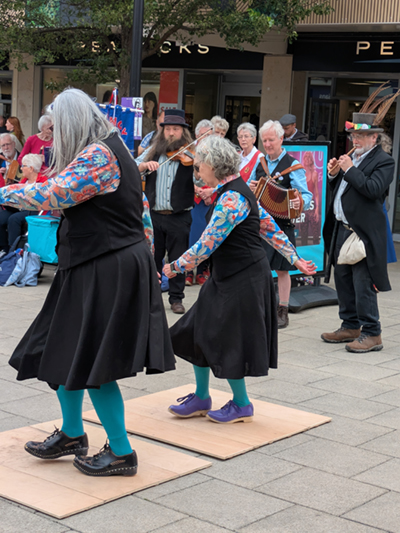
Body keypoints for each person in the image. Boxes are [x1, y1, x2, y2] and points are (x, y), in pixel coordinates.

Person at [1, 88, 175, 477]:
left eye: (56, 127)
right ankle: (73, 433)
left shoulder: (100, 153)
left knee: (96, 363)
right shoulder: (109, 149)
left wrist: (5, 191)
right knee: (60, 350)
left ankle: (122, 452)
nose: (52, 135)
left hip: (106, 267)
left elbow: (55, 193)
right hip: (92, 264)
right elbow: (140, 211)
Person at [163, 136, 316, 423]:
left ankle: (242, 403)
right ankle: (201, 397)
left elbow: (208, 243)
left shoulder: (233, 198)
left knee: (230, 339)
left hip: (244, 277)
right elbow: (268, 227)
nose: (196, 172)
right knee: (196, 329)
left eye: (199, 167)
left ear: (213, 165)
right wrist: (295, 258)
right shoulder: (231, 192)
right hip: (228, 274)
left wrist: (175, 267)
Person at [321, 113, 395, 353]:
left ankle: (372, 333)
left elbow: (373, 189)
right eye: (354, 135)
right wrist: (334, 173)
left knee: (363, 282)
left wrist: (350, 169)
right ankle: (350, 325)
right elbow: (342, 189)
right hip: (343, 229)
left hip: (363, 233)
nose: (356, 139)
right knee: (342, 280)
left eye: (362, 135)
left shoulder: (384, 161)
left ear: (374, 137)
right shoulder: (353, 157)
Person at [248, 120, 312, 329]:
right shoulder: (260, 164)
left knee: (283, 270)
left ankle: (282, 310)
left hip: (282, 223)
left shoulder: (292, 165)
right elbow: (249, 188)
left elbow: (306, 195)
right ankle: (260, 307)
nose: (267, 144)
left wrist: (299, 202)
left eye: (271, 140)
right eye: (264, 140)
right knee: (260, 268)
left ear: (281, 139)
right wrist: (251, 187)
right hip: (261, 225)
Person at [136, 108, 195, 314]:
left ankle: (176, 298)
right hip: (154, 215)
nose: (171, 133)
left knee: (178, 259)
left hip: (180, 215)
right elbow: (133, 166)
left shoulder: (191, 152)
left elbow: (202, 177)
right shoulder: (154, 149)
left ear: (183, 132)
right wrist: (144, 165)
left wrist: (195, 164)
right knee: (152, 257)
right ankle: (150, 296)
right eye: (168, 129)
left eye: (175, 129)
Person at [186, 120, 214, 287]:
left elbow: (220, 175)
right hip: (193, 198)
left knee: (207, 235)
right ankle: (189, 271)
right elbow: (183, 176)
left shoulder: (215, 152)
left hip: (209, 198)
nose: (207, 138)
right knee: (192, 235)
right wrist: (196, 189)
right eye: (204, 135)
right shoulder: (189, 151)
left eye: (210, 135)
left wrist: (211, 191)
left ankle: (203, 270)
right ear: (197, 135)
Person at [0, 154, 47, 250]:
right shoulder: (24, 181)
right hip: (19, 207)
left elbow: (43, 200)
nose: (21, 169)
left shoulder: (43, 181)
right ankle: (3, 248)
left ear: (31, 168)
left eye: (23, 166)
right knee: (2, 216)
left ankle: (13, 249)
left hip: (34, 209)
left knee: (14, 219)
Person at [300, 151, 321, 246]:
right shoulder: (300, 173)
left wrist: (317, 209)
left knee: (315, 232)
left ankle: (316, 254)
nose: (307, 159)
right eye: (306, 157)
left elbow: (316, 193)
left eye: (309, 157)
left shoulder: (314, 174)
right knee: (303, 233)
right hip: (303, 205)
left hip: (312, 205)